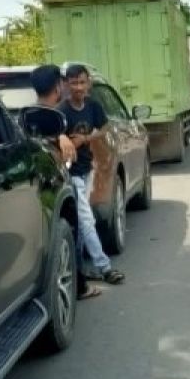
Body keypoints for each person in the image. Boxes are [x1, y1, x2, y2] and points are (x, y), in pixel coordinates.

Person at [30, 64, 103, 300]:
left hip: (41, 190)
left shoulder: (29, 115)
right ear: (59, 87)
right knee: (75, 227)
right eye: (66, 82)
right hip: (56, 186)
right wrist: (61, 135)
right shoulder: (54, 116)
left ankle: (78, 281)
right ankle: (80, 284)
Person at [59, 64, 125, 286]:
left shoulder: (93, 106)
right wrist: (64, 139)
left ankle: (78, 269)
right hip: (70, 173)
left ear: (88, 84)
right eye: (74, 83)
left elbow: (104, 128)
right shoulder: (61, 111)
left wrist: (85, 139)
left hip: (87, 169)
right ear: (66, 85)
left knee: (80, 221)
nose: (78, 87)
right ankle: (104, 267)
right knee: (87, 220)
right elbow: (52, 136)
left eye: (82, 82)